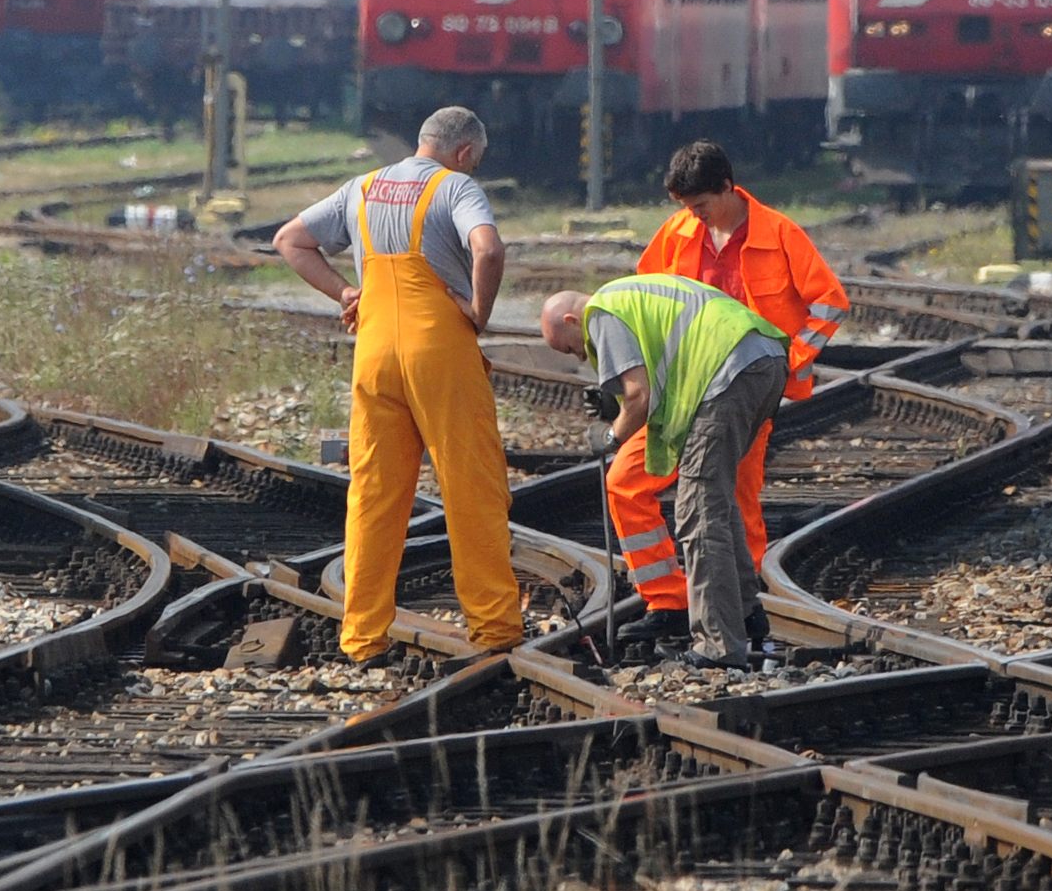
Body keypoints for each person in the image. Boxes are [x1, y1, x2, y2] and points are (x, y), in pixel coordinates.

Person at [274, 106, 524, 664]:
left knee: (374, 494)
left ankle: (362, 638)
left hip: (374, 353)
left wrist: (345, 293)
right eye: (475, 161)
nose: (474, 168)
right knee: (471, 486)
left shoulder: (361, 188)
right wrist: (479, 312)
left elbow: (289, 240)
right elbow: (488, 249)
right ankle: (494, 627)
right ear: (464, 152)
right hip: (440, 352)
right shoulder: (456, 188)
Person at [605, 140, 849, 647]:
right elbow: (644, 301)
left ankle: (744, 609)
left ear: (727, 188)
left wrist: (789, 365)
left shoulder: (778, 233)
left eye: (700, 205)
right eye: (686, 207)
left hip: (742, 391)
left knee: (737, 498)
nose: (693, 215)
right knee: (626, 483)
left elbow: (829, 303)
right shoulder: (678, 232)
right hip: (680, 395)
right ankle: (667, 601)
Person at [541, 276, 788, 670]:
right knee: (718, 505)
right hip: (763, 359)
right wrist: (616, 404)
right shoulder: (628, 296)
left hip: (728, 372)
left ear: (572, 320)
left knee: (698, 514)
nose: (580, 356)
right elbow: (661, 372)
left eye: (571, 347)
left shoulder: (601, 313)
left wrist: (610, 435)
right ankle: (745, 616)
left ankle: (718, 647)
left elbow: (639, 396)